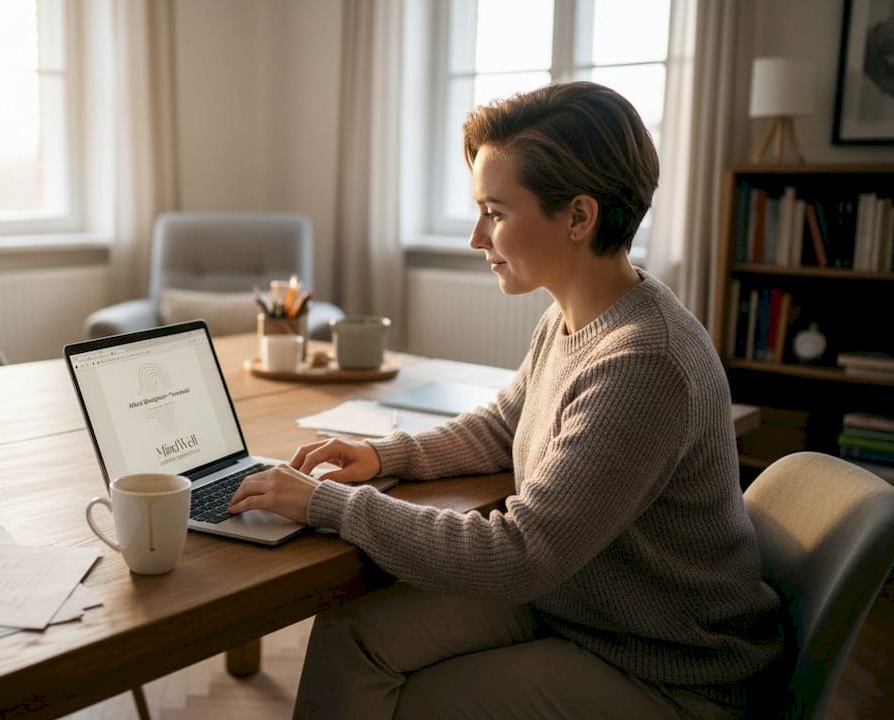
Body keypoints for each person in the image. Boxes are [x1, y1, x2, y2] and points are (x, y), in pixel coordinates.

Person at [227, 81, 784, 719]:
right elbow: (502, 425)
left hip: (669, 667)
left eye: (495, 211)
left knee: (417, 703)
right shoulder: (574, 315)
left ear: (579, 217)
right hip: (583, 602)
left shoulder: (641, 362)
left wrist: (332, 504)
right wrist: (385, 457)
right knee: (351, 633)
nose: (475, 237)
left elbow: (519, 556)